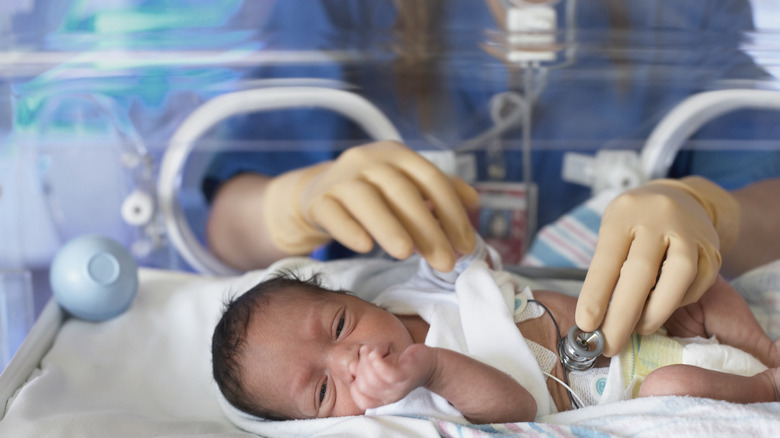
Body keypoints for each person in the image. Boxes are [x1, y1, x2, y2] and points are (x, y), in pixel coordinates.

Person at [204, 0, 780, 357]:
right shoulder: (340, 9)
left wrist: (708, 209)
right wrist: (293, 201)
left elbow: (765, 192)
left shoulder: (684, 10)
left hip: (621, 329)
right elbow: (221, 231)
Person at [211, 235, 780, 425]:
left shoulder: (406, 292)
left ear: (352, 296)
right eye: (322, 390)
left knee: (696, 286)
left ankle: (764, 346)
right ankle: (767, 387)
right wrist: (430, 368)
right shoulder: (403, 408)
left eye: (339, 323)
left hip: (637, 326)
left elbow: (466, 256)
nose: (351, 357)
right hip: (642, 382)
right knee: (670, 386)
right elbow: (514, 409)